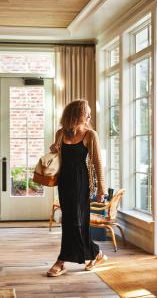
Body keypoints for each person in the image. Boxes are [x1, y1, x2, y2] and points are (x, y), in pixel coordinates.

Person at [47, 99, 108, 277]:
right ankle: (96, 253)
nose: (89, 115)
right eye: (86, 112)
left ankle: (61, 261)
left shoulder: (90, 135)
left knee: (78, 221)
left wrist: (101, 189)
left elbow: (97, 162)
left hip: (82, 183)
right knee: (69, 221)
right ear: (77, 114)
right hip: (64, 182)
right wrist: (54, 149)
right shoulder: (60, 133)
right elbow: (58, 157)